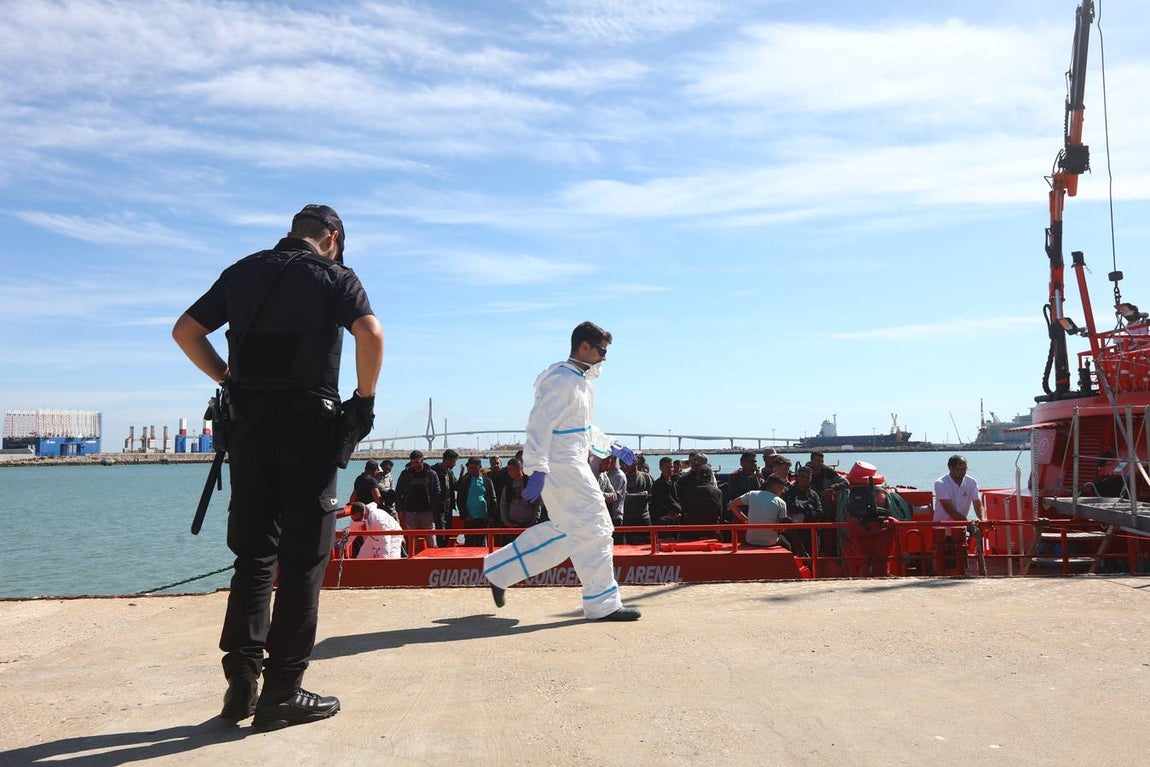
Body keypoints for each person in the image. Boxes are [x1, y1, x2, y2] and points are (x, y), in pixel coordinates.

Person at [172, 203, 383, 730]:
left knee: (254, 557)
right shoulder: (336, 277)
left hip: (248, 428)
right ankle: (283, 690)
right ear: (332, 238)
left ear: (293, 234)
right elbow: (371, 335)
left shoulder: (244, 270)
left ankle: (241, 684)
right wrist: (363, 400)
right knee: (304, 561)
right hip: (309, 430)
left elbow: (185, 331)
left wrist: (227, 378)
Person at [481, 321, 641, 621]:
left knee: (569, 532)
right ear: (584, 347)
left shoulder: (580, 383)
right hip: (563, 467)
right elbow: (539, 424)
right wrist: (537, 469)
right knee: (596, 527)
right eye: (602, 351)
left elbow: (580, 428)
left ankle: (499, 570)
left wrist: (612, 444)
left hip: (570, 464)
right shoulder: (562, 380)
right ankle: (602, 604)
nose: (605, 358)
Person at [933, 454, 985, 573]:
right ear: (950, 469)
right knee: (946, 562)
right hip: (943, 529)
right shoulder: (941, 483)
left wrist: (983, 520)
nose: (962, 472)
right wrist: (969, 524)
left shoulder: (971, 482)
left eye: (965, 469)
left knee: (961, 558)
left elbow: (977, 503)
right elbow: (949, 509)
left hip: (960, 528)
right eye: (959, 469)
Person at [395, 450, 442, 550]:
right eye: (412, 462)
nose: (414, 465)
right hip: (410, 511)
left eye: (417, 462)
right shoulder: (405, 474)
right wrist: (400, 509)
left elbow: (437, 492)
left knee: (431, 540)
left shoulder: (431, 474)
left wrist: (434, 509)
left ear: (422, 461)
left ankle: (433, 561)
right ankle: (413, 563)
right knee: (412, 542)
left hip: (427, 511)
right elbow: (398, 492)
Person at [729, 475, 790, 548]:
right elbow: (781, 528)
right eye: (782, 488)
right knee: (788, 545)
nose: (783, 491)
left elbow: (732, 505)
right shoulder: (781, 502)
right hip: (770, 542)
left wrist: (745, 520)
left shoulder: (752, 494)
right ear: (776, 486)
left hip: (750, 540)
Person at [781, 465, 823, 557]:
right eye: (802, 477)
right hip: (793, 533)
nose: (805, 480)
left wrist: (804, 512)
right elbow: (788, 508)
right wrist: (806, 508)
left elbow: (819, 512)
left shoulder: (813, 495)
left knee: (813, 557)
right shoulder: (788, 492)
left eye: (808, 477)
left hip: (810, 533)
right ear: (797, 477)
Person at [457, 456, 498, 546]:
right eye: (470, 468)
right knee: (469, 542)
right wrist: (464, 515)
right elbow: (460, 499)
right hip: (469, 518)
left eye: (475, 468)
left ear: (479, 467)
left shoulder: (487, 481)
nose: (472, 470)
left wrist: (490, 515)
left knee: (482, 543)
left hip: (483, 517)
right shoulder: (465, 481)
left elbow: (493, 498)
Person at [678, 464, 723, 540]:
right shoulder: (717, 492)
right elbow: (720, 513)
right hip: (711, 531)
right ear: (710, 477)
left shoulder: (687, 491)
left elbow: (684, 510)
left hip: (690, 531)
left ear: (697, 477)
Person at [500, 458, 542, 529]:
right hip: (513, 524)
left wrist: (534, 521)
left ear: (520, 469)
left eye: (512, 469)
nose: (509, 472)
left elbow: (538, 504)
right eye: (508, 469)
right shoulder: (507, 487)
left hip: (529, 524)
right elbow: (503, 505)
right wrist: (506, 521)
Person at [430, 449, 460, 547]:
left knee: (448, 530)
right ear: (447, 460)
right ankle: (439, 550)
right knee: (440, 531)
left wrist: (462, 474)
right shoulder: (433, 471)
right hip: (438, 507)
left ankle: (444, 548)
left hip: (448, 506)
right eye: (453, 461)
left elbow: (456, 486)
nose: (454, 464)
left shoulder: (449, 472)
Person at [621, 458, 653, 544]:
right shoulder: (624, 477)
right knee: (630, 545)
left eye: (629, 463)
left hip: (644, 516)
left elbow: (651, 495)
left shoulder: (646, 477)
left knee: (647, 543)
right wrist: (642, 494)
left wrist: (643, 495)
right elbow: (624, 496)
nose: (626, 465)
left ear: (636, 463)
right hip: (629, 517)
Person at [649, 457, 682, 526]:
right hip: (663, 516)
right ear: (661, 468)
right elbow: (657, 503)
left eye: (672, 467)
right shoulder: (657, 484)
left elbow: (679, 498)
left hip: (678, 513)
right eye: (667, 467)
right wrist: (670, 513)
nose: (670, 470)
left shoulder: (676, 481)